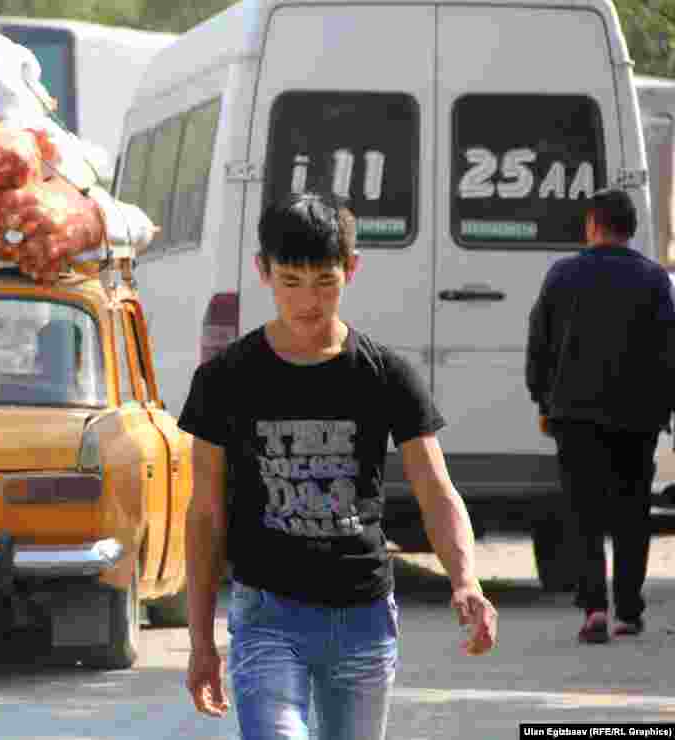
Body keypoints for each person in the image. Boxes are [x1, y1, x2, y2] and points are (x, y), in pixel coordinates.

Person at [179, 192, 498, 740]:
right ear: (264, 271)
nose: (308, 300)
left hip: (363, 620)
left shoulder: (385, 374)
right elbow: (205, 514)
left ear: (351, 270)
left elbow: (435, 489)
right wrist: (201, 640)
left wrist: (465, 578)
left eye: (325, 281)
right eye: (291, 281)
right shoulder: (226, 378)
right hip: (265, 616)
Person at [526, 187, 675, 644]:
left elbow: (540, 346)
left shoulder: (563, 274)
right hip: (638, 419)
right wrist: (665, 409)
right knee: (632, 515)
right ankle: (628, 610)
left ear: (593, 224)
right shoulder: (654, 280)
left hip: (574, 415)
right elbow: (670, 353)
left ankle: (593, 608)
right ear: (629, 229)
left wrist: (543, 401)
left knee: (582, 513)